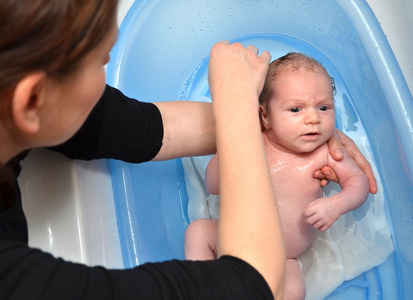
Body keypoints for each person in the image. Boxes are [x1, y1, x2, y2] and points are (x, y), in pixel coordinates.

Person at [0, 1, 376, 299]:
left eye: (324, 107)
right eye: (100, 64)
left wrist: (286, 124)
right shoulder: (20, 282)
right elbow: (251, 286)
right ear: (32, 100)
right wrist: (241, 107)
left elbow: (131, 127)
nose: (106, 84)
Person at [184, 52, 370, 299]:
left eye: (324, 107)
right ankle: (206, 291)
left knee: (293, 290)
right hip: (234, 238)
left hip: (284, 257)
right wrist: (231, 148)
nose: (313, 118)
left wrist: (336, 204)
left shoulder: (325, 154)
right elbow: (213, 186)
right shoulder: (252, 143)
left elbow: (359, 183)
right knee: (198, 232)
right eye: (296, 109)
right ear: (265, 116)